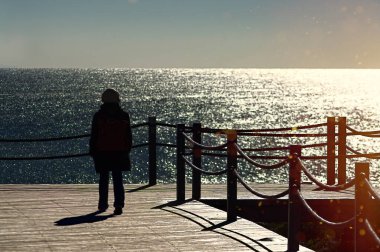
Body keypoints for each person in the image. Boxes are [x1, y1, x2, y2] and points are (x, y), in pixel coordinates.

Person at [89, 88, 132, 215]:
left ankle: (102, 204)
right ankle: (118, 204)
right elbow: (128, 135)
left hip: (102, 151)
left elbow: (94, 135)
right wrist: (127, 149)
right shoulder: (124, 115)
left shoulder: (99, 116)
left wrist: (92, 149)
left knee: (103, 178)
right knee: (118, 178)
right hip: (119, 151)